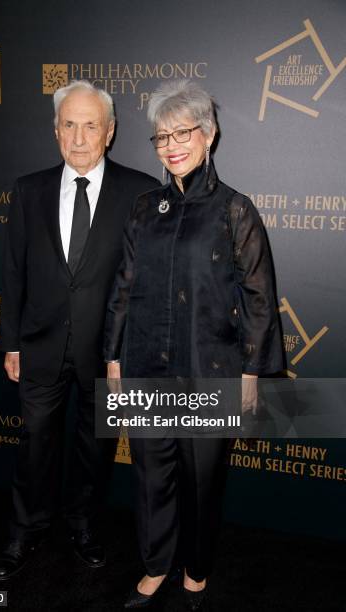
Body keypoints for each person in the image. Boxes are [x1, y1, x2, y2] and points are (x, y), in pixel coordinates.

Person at [104, 79, 283, 609]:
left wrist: (250, 376)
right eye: (162, 136)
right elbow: (123, 288)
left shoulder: (235, 210)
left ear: (210, 135)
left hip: (212, 369)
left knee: (203, 482)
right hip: (146, 366)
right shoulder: (143, 209)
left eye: (184, 132)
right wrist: (113, 361)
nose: (172, 145)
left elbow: (258, 297)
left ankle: (196, 569)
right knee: (151, 475)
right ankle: (157, 562)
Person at [0, 80, 160, 581]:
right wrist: (9, 341)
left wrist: (130, 352)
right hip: (39, 345)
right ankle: (26, 529)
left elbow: (146, 281)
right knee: (35, 444)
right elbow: (14, 271)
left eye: (91, 126)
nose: (80, 137)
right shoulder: (29, 189)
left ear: (110, 133)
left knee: (95, 449)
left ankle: (84, 525)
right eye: (69, 125)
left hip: (107, 353)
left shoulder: (141, 190)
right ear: (55, 131)